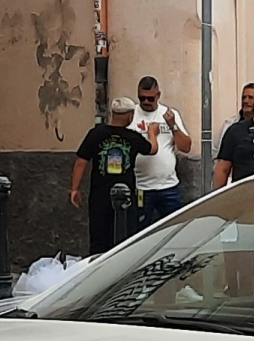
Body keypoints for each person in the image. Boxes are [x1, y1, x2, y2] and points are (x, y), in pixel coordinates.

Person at [70, 98, 152, 254]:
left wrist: (75, 188)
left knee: (99, 239)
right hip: (126, 197)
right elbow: (151, 149)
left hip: (100, 196)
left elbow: (81, 161)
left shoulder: (95, 134)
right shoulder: (132, 137)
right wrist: (153, 133)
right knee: (126, 239)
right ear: (130, 116)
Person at [131, 75, 191, 225]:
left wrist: (173, 126)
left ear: (158, 95)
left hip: (168, 187)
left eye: (150, 99)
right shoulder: (132, 114)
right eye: (141, 98)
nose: (145, 102)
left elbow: (186, 147)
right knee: (140, 232)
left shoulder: (170, 114)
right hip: (141, 187)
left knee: (174, 229)